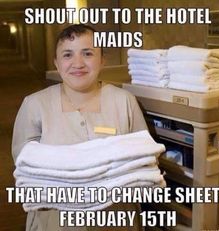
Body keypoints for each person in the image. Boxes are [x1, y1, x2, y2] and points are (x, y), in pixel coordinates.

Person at [12, 24, 148, 231]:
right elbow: (25, 168)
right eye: (67, 55)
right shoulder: (35, 105)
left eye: (87, 53)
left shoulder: (124, 102)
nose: (78, 63)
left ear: (102, 59)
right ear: (57, 63)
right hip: (55, 223)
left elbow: (144, 161)